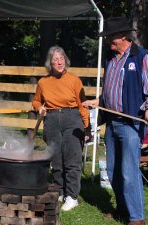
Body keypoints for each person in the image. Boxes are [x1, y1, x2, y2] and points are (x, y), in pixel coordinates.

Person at [83, 17, 148, 225]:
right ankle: (123, 209)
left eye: (110, 37)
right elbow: (110, 89)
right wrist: (98, 101)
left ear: (123, 37)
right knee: (113, 170)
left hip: (130, 125)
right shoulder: (111, 58)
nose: (108, 41)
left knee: (128, 172)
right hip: (112, 122)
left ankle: (137, 217)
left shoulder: (141, 57)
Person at [32, 46, 90, 211]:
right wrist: (39, 108)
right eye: (55, 59)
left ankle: (72, 196)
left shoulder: (74, 80)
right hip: (51, 121)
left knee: (72, 160)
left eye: (62, 59)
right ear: (50, 63)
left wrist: (87, 128)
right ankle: (60, 191)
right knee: (56, 161)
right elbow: (36, 101)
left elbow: (82, 105)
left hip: (72, 119)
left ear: (66, 60)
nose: (59, 62)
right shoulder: (43, 82)